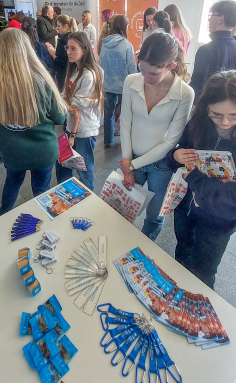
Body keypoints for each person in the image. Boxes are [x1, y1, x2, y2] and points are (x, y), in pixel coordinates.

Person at [0, 28, 66, 215]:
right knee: (41, 191)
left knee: (12, 183)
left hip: (11, 152)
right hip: (43, 151)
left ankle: (4, 215)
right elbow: (59, 118)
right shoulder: (41, 78)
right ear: (26, 48)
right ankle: (42, 224)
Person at [120, 32, 194, 241]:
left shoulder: (185, 93)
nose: (146, 77)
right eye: (141, 69)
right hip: (131, 155)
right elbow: (125, 123)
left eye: (153, 73)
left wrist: (132, 165)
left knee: (155, 215)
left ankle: (144, 248)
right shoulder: (131, 82)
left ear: (171, 65)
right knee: (123, 206)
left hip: (161, 163)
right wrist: (128, 162)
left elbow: (171, 140)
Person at [166, 70, 236, 289]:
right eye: (216, 114)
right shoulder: (198, 122)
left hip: (218, 223)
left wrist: (196, 178)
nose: (225, 122)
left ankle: (197, 316)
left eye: (234, 115)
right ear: (206, 108)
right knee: (181, 256)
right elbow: (179, 149)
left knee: (203, 274)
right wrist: (175, 155)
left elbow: (231, 199)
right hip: (186, 209)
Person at [56, 31, 104, 191]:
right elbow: (64, 97)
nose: (68, 52)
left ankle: (89, 204)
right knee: (66, 166)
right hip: (72, 128)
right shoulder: (76, 70)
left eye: (73, 48)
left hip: (83, 131)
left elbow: (75, 105)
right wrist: (67, 102)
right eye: (67, 47)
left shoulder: (89, 75)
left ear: (84, 50)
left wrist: (67, 102)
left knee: (85, 171)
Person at [99, 15, 137, 147]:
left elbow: (101, 64)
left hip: (108, 84)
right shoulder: (127, 45)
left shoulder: (104, 44)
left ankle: (108, 141)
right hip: (124, 85)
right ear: (124, 27)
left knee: (108, 114)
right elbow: (132, 67)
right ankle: (125, 142)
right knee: (125, 115)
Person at [190, 0, 236, 105]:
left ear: (221, 19)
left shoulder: (206, 50)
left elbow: (197, 89)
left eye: (211, 15)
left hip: (210, 109)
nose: (209, 20)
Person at [47, 14, 78, 91]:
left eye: (58, 26)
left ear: (65, 26)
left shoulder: (62, 41)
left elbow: (61, 61)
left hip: (63, 72)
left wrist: (52, 54)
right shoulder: (74, 37)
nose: (56, 28)